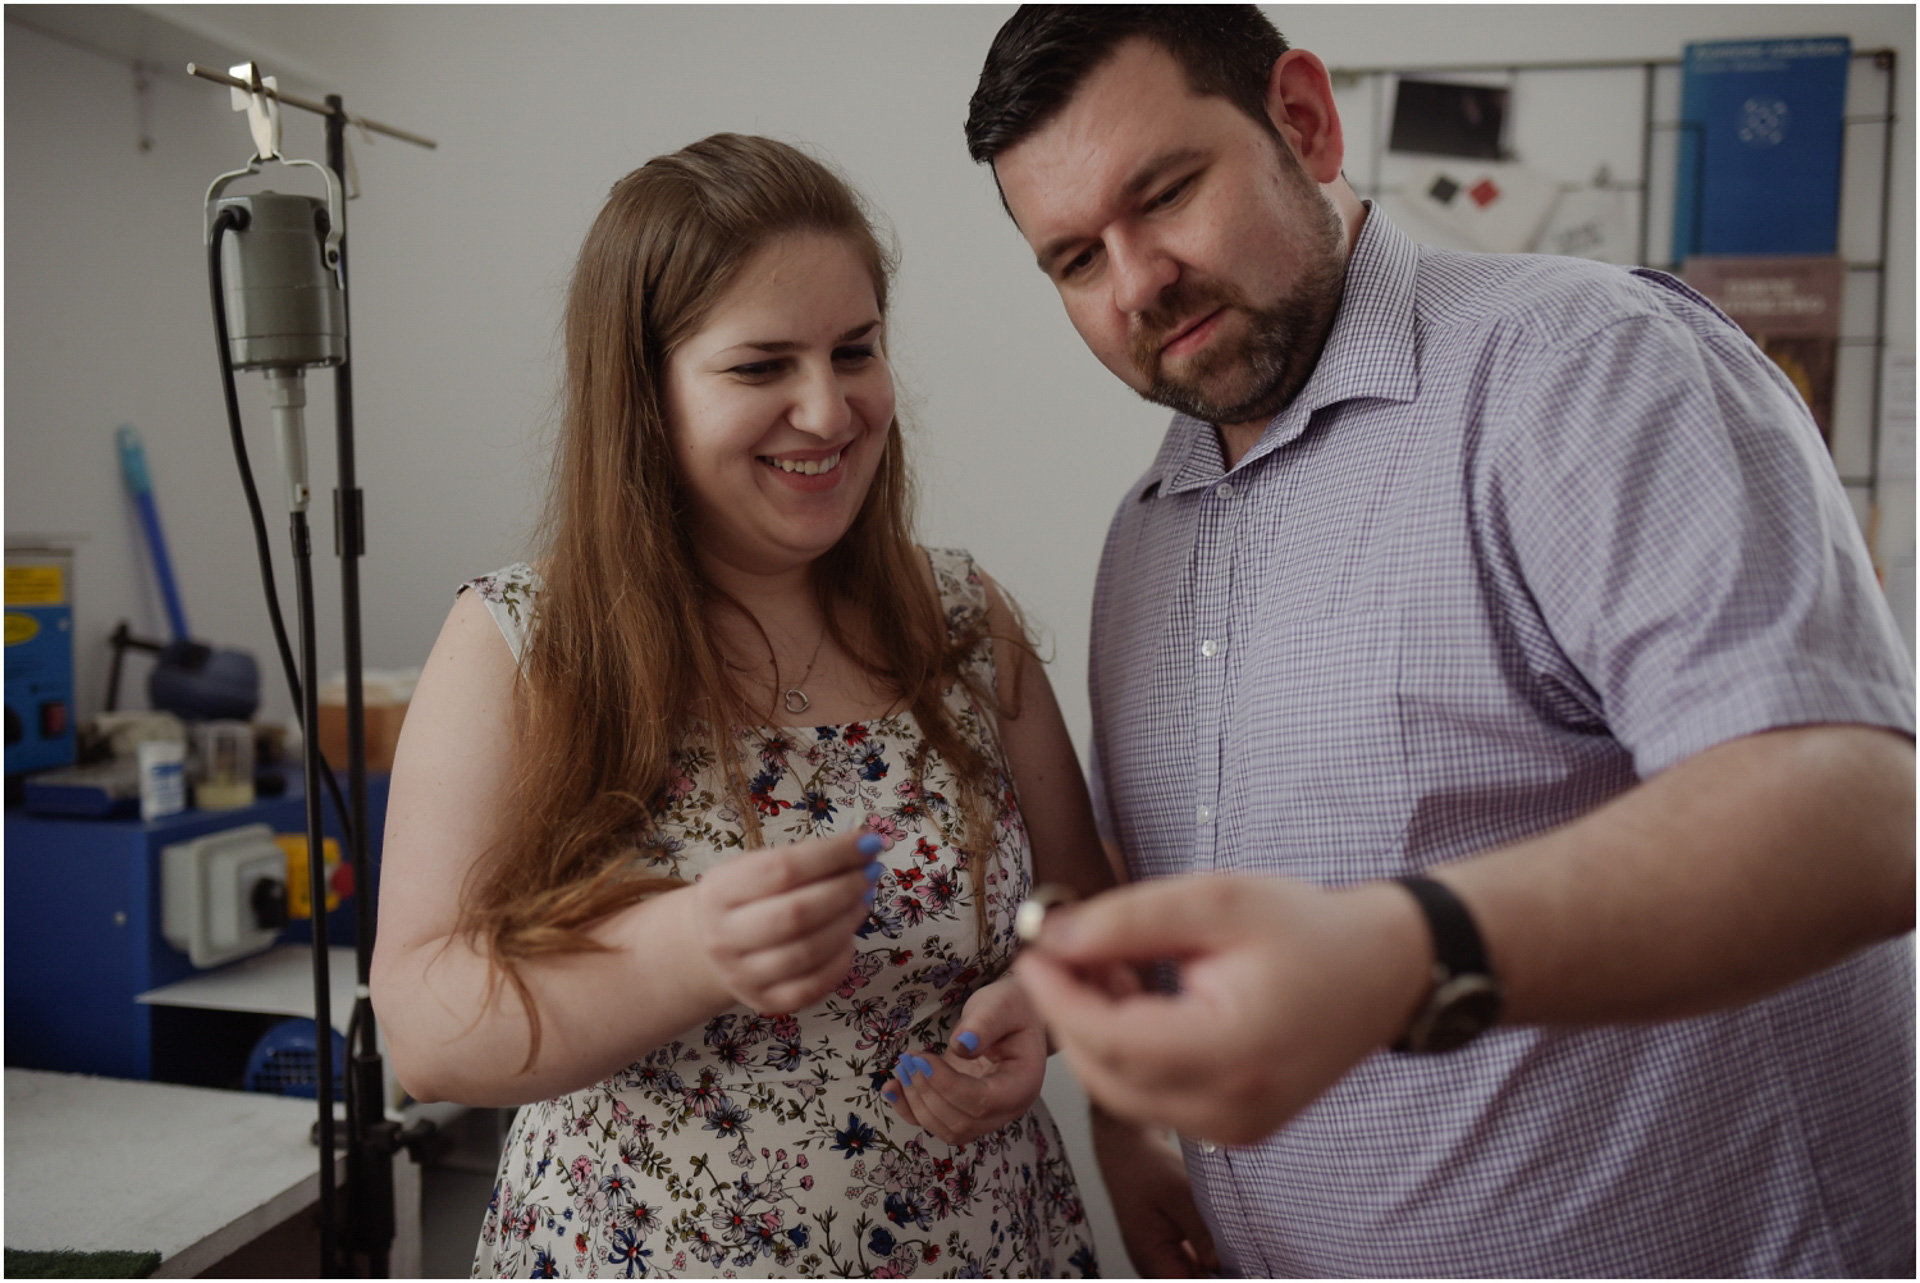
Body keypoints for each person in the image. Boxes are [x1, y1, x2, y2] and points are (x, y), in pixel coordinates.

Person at [963, 6, 1916, 1279]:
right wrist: (1126, 1122)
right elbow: (1187, 872)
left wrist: (1402, 955)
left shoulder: (1587, 366)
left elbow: (1866, 818)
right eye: (1077, 258)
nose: (1137, 282)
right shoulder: (1147, 532)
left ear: (1304, 121)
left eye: (1168, 193)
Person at [370, 133, 1112, 1279]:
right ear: (645, 395)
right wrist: (685, 949)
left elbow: (1079, 908)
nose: (828, 409)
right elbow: (424, 1027)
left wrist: (1041, 1007)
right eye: (762, 367)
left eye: (855, 351)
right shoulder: (524, 643)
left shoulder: (962, 618)